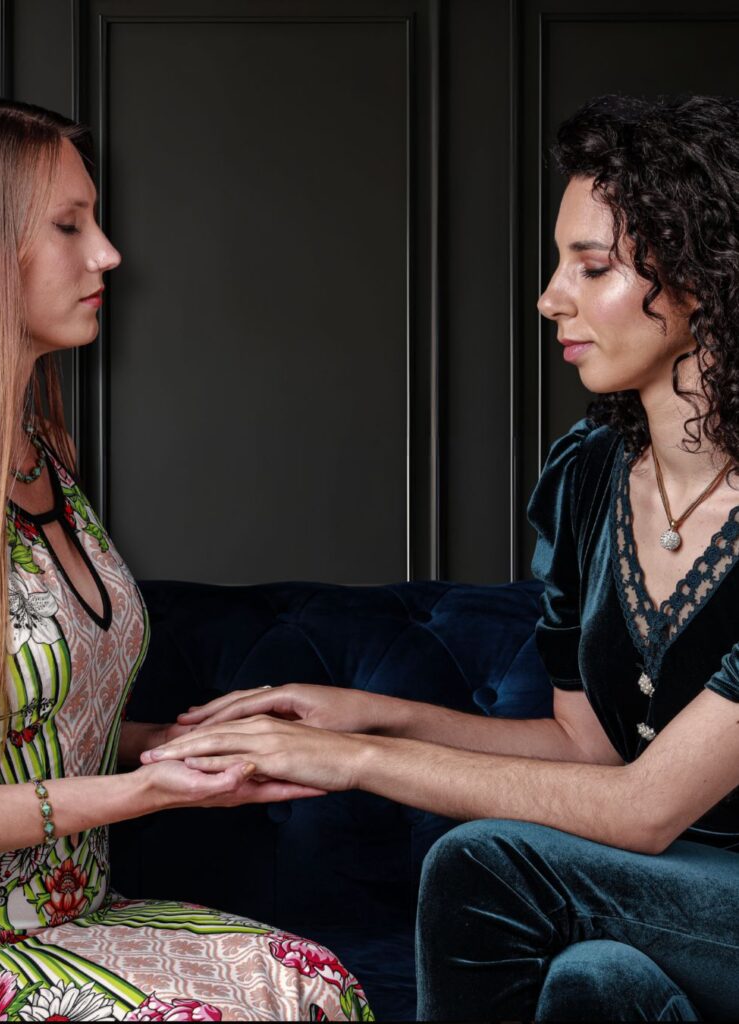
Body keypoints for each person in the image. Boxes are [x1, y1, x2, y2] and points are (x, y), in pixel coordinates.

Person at [148, 93, 739, 1021]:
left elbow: (640, 807)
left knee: (484, 864)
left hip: (703, 885)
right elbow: (586, 749)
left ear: (711, 275)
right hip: (655, 890)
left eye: (590, 266)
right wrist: (372, 714)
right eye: (559, 263)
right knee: (597, 985)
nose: (550, 296)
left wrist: (348, 759)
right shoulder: (587, 476)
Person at [0, 94, 372, 1023]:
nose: (108, 254)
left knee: (310, 983)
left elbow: (17, 736)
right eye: (69, 224)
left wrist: (199, 750)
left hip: (68, 918)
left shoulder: (41, 451)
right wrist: (137, 794)